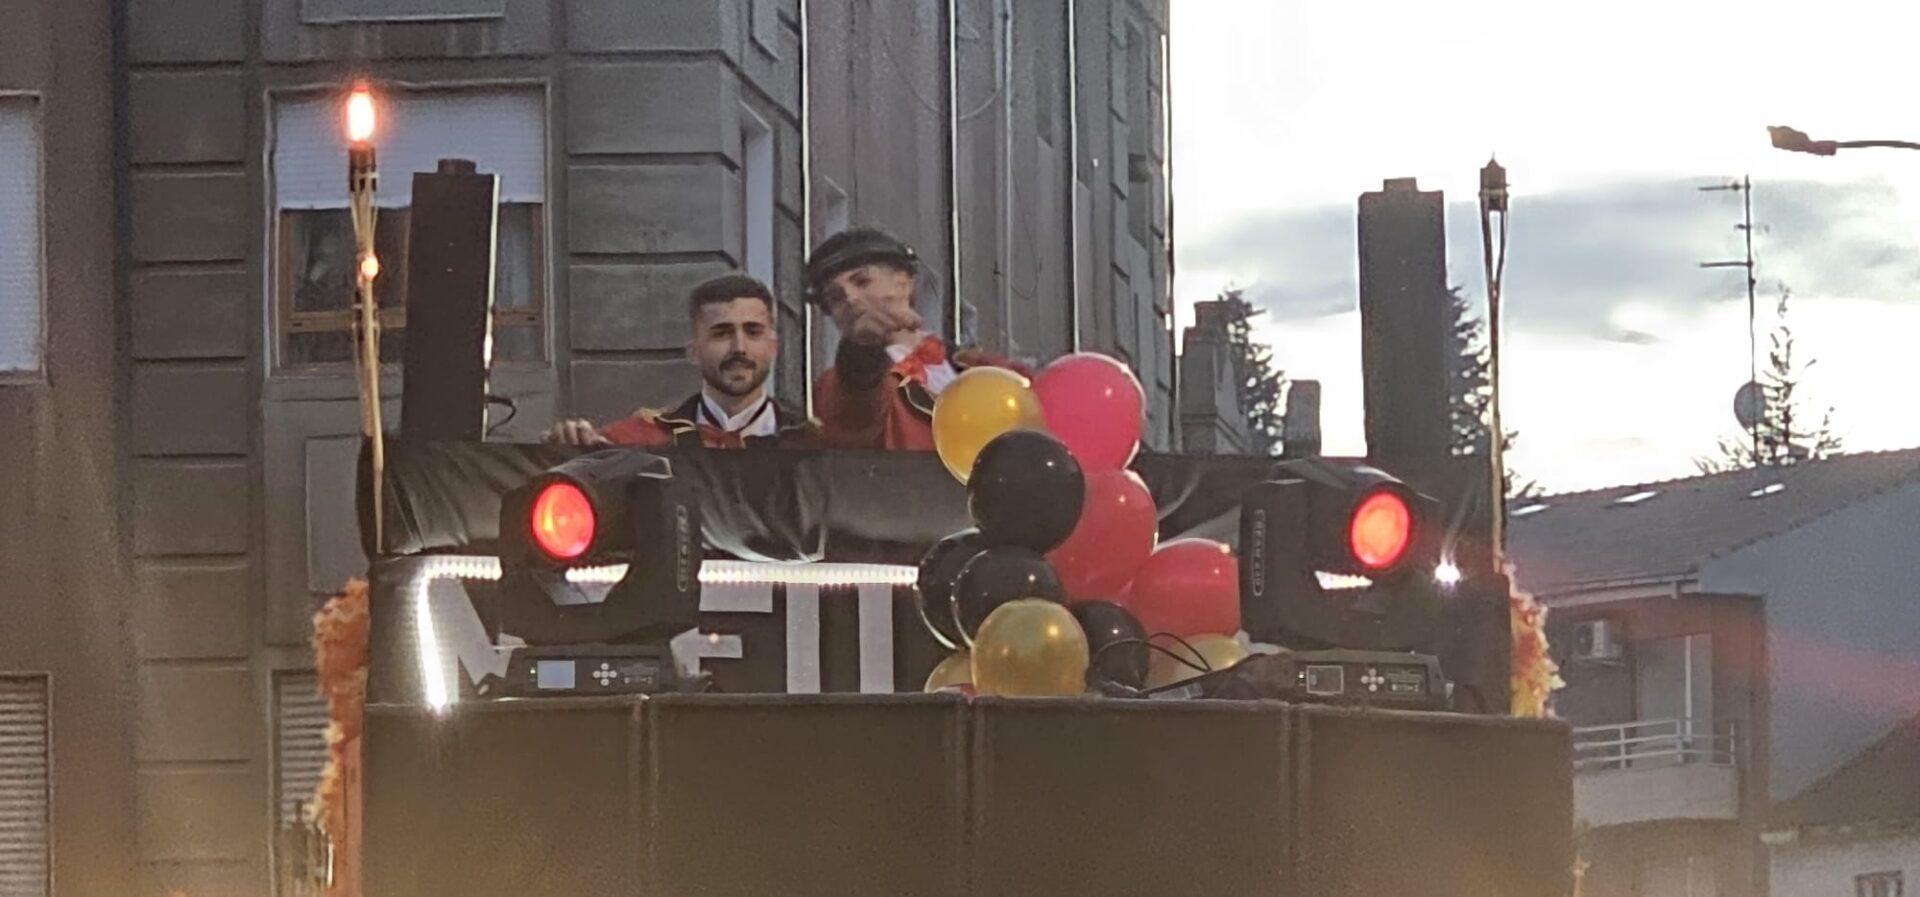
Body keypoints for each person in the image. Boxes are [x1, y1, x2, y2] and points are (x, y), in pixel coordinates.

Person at [806, 227, 1024, 450]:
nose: (850, 298)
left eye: (862, 281)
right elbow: (853, 415)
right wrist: (863, 350)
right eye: (835, 297)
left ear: (904, 283)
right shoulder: (837, 387)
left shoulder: (989, 369)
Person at [548, 273, 813, 449]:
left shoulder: (811, 441)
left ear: (774, 346)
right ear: (693, 351)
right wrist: (569, 446)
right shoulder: (639, 438)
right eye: (721, 333)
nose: (739, 348)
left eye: (753, 332)